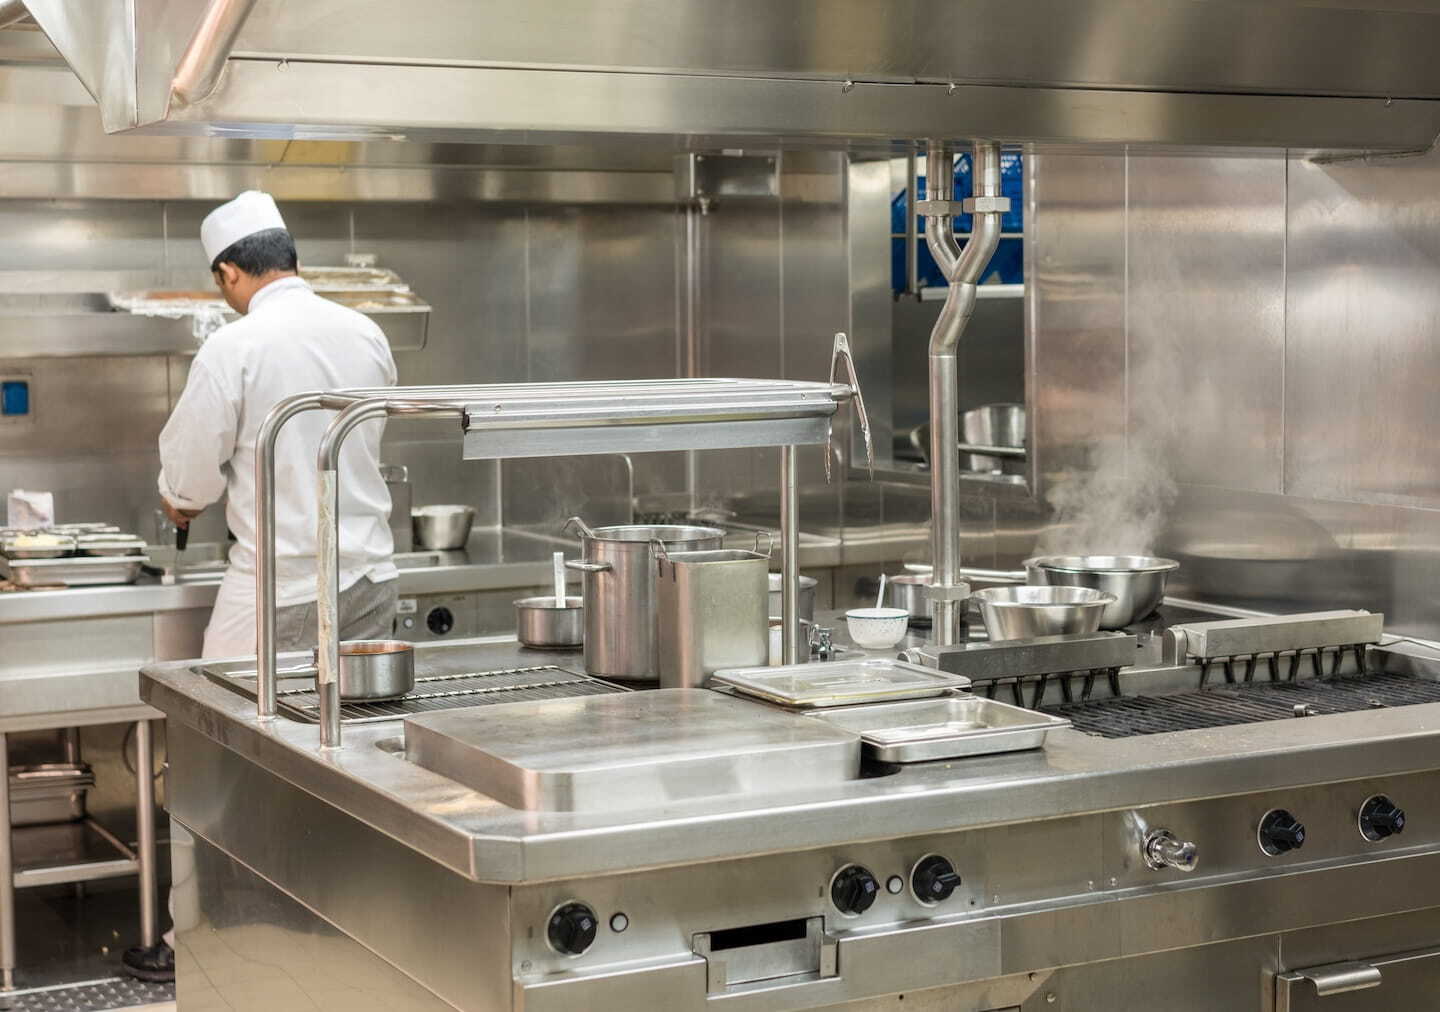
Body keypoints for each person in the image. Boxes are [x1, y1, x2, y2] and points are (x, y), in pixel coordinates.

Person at [120, 191, 400, 982]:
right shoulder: (364, 330)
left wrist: (178, 501)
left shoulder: (234, 347)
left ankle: (211, 938)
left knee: (226, 755)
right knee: (356, 758)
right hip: (371, 580)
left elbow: (188, 476)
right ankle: (352, 927)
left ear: (231, 273)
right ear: (294, 260)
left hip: (279, 590)